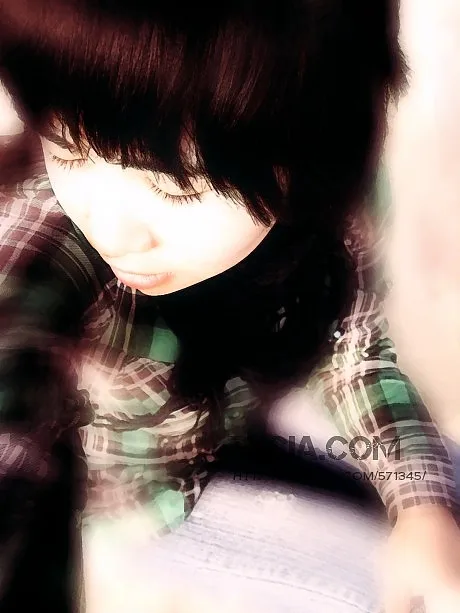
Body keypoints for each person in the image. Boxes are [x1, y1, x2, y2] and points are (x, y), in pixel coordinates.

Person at [0, 1, 459, 611]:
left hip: (249, 420)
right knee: (364, 590)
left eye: (174, 187)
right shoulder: (45, 239)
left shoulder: (326, 212)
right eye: (67, 151)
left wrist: (421, 501)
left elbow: (353, 353)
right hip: (149, 511)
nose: (111, 231)